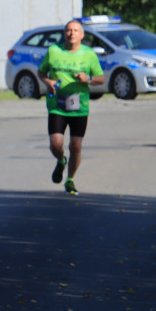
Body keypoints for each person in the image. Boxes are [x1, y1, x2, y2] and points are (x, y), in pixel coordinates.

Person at [38, 19, 105, 196]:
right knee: (56, 143)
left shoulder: (89, 54)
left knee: (76, 145)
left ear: (82, 35)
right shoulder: (53, 51)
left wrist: (88, 79)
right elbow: (41, 72)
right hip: (57, 105)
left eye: (75, 30)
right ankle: (61, 160)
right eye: (68, 30)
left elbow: (101, 78)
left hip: (79, 106)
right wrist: (48, 81)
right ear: (64, 34)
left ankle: (70, 179)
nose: (71, 33)